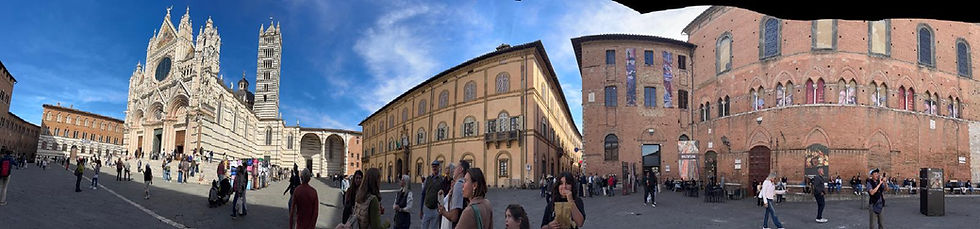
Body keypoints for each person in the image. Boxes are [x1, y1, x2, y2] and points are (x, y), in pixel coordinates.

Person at [437, 160, 469, 228]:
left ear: (461, 169)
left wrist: (443, 212)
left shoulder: (458, 185)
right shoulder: (464, 183)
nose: (453, 170)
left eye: (456, 167)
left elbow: (454, 217)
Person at [420, 160, 444, 229]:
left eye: (436, 166)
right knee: (424, 227)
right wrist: (421, 209)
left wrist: (441, 209)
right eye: (433, 167)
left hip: (436, 209)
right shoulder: (428, 179)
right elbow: (423, 194)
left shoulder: (441, 180)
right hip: (427, 208)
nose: (434, 168)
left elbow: (443, 196)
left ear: (439, 167)